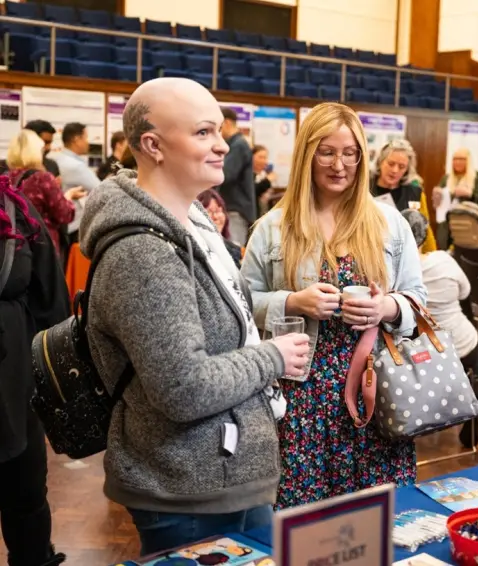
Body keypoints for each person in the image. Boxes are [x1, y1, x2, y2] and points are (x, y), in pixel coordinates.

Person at [78, 78, 310, 554]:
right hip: (187, 490)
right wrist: (272, 357)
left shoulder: (195, 220)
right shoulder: (143, 252)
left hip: (225, 474)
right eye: (204, 132)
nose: (223, 144)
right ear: (153, 145)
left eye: (220, 130)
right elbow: (184, 387)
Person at [242, 102, 426, 510]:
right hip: (300, 397)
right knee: (302, 516)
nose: (339, 164)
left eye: (350, 153)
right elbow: (239, 306)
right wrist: (292, 301)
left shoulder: (389, 223)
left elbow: (417, 299)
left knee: (379, 514)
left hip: (376, 393)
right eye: (327, 152)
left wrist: (388, 309)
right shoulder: (274, 227)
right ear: (308, 154)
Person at [0, 175, 70, 566]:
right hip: (13, 377)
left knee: (24, 495)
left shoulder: (16, 210)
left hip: (13, 383)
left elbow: (52, 303)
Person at [401, 209, 478, 448]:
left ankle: (424, 419)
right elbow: (465, 293)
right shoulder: (444, 260)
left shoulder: (394, 273)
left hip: (424, 354)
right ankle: (471, 419)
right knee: (471, 347)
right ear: (425, 235)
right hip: (463, 343)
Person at [6, 129, 85, 255]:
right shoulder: (42, 178)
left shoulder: (7, 178)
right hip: (42, 247)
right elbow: (64, 214)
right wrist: (68, 196)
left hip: (14, 246)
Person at [370, 139, 437, 253]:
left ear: (407, 170)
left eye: (401, 167)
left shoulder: (415, 193)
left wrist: (432, 255)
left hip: (404, 254)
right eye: (391, 164)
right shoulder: (365, 188)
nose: (395, 170)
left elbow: (425, 229)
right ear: (380, 162)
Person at [48, 122, 100, 241]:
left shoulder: (56, 159)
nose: (88, 142)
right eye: (85, 138)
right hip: (73, 227)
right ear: (76, 139)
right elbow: (101, 189)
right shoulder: (75, 166)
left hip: (60, 224)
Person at [433, 148, 478, 249]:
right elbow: (437, 205)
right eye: (455, 159)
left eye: (462, 159)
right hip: (446, 224)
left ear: (468, 161)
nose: (457, 162)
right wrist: (436, 197)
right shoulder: (446, 178)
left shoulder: (477, 177)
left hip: (467, 224)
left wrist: (470, 195)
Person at [218, 107, 255, 245]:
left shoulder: (238, 145)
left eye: (219, 127)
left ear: (227, 123)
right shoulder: (235, 144)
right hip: (233, 209)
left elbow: (225, 174)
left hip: (236, 210)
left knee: (233, 252)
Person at [197, 188, 243, 268]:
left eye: (218, 211)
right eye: (208, 212)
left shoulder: (237, 250)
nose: (215, 217)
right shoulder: (196, 252)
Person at [252, 145, 278, 214]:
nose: (264, 161)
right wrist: (267, 180)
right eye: (260, 157)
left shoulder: (264, 174)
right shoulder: (248, 175)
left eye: (265, 158)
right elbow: (253, 191)